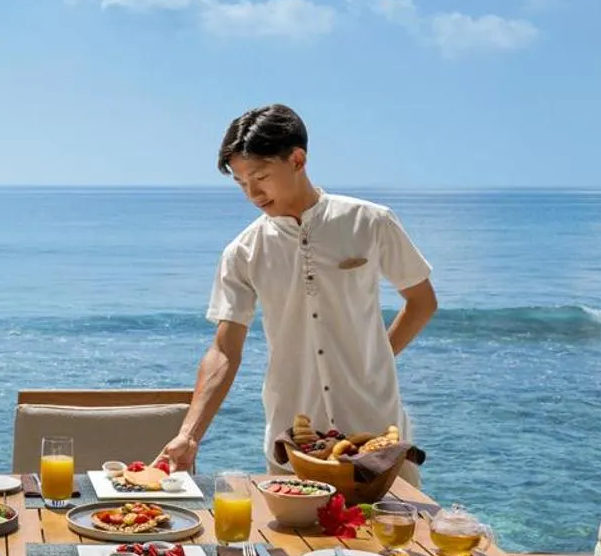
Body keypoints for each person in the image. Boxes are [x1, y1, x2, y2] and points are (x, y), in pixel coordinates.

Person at [159, 104, 438, 476]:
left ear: (297, 159)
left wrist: (375, 358)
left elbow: (421, 302)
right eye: (242, 183)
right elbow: (225, 350)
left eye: (261, 177)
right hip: (293, 441)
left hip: (377, 431)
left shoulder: (370, 222)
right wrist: (189, 436)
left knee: (397, 533)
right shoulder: (243, 251)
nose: (253, 194)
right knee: (297, 536)